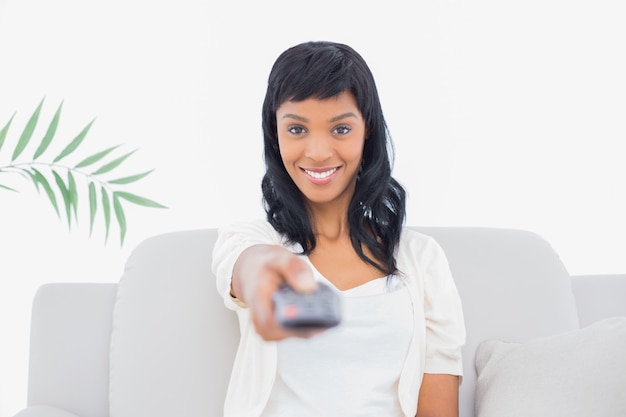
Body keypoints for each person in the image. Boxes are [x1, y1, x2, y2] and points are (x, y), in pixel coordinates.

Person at [211, 40, 465, 417]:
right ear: (274, 134)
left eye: (340, 129)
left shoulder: (421, 258)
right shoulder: (252, 240)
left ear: (367, 132)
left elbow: (438, 402)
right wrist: (264, 271)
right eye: (296, 129)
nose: (317, 152)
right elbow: (244, 270)